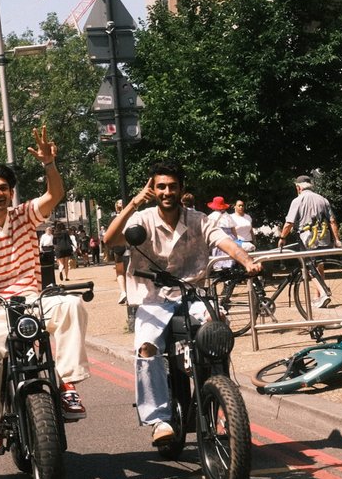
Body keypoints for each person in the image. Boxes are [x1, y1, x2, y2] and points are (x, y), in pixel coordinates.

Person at [0, 128, 91, 455]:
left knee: (71, 305)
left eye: (4, 188)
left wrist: (50, 164)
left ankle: (67, 384)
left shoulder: (24, 215)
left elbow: (54, 195)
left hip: (31, 300)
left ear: (12, 193)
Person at [104, 162, 262, 447]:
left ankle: (222, 398)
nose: (167, 192)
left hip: (192, 294)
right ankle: (159, 419)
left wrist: (247, 261)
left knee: (217, 326)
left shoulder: (199, 219)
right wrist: (134, 202)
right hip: (153, 298)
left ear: (181, 190)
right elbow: (110, 239)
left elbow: (223, 241)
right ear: (153, 189)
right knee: (147, 347)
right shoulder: (142, 218)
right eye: (160, 186)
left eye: (172, 186)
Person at [279, 175, 341, 308]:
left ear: (298, 187)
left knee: (308, 267)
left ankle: (323, 293)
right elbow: (332, 221)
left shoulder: (298, 200)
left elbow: (289, 223)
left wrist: (282, 237)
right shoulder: (323, 199)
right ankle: (317, 296)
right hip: (323, 236)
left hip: (307, 237)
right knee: (319, 265)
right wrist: (337, 239)